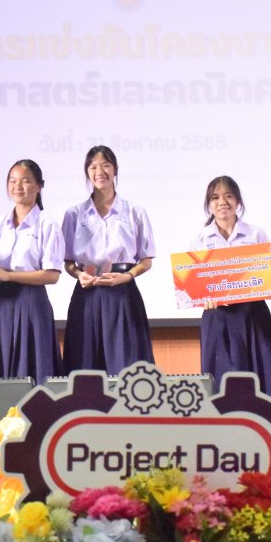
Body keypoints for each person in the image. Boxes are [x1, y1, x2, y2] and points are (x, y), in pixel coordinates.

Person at [0, 160, 64, 384]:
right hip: (2, 305)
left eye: (25, 181)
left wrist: (8, 275)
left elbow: (52, 275)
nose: (17, 186)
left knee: (34, 372)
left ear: (39, 186)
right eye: (12, 181)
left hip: (32, 304)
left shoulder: (47, 223)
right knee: (1, 375)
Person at [62, 145, 155, 375]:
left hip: (123, 292)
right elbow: (68, 262)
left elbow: (146, 260)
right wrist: (78, 274)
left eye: (105, 165)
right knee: (85, 366)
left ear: (115, 169)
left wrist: (128, 276)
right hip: (87, 294)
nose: (99, 172)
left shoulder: (134, 211)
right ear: (87, 172)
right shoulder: (74, 214)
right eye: (93, 167)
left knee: (127, 366)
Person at [191, 176, 271, 394]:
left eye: (228, 196)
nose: (222, 202)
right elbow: (195, 282)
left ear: (238, 201)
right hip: (218, 317)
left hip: (252, 315)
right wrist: (202, 296)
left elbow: (270, 273)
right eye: (215, 198)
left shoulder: (256, 234)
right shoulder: (201, 238)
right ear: (209, 204)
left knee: (261, 380)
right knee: (221, 384)